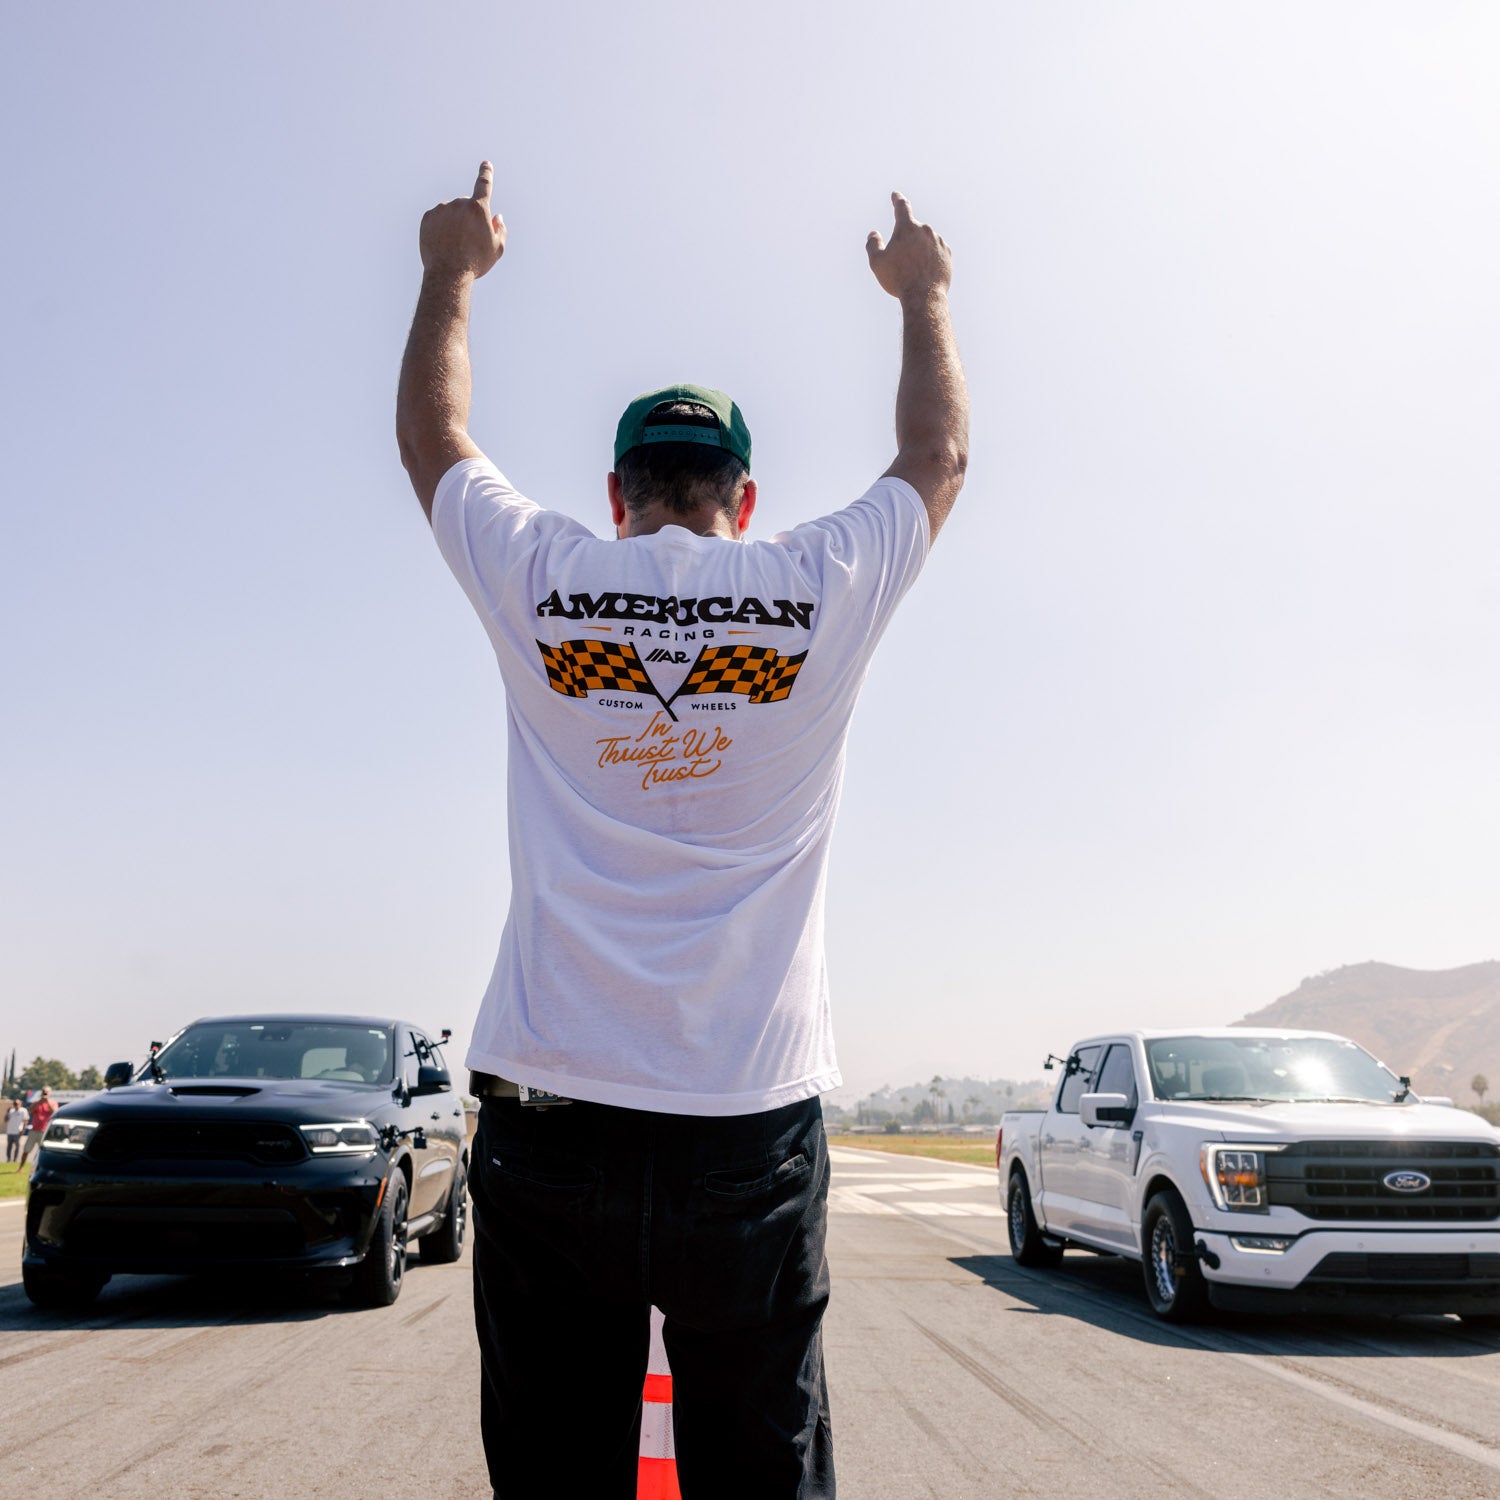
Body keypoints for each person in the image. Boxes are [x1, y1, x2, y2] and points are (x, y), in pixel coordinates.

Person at [396, 162, 967, 1499]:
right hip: (744, 1124)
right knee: (760, 1475)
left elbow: (435, 443)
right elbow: (936, 458)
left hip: (549, 1107)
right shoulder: (811, 584)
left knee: (558, 1474)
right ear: (742, 497)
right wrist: (925, 294)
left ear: (619, 491)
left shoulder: (548, 575)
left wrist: (449, 273)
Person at [19, 1087, 55, 1167]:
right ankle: (20, 1168)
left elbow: (54, 1112)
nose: (45, 1093)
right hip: (34, 1130)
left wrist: (47, 1101)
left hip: (45, 1131)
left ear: (50, 1093)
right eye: (43, 1092)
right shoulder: (36, 1103)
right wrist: (40, 1102)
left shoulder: (52, 1103)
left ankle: (43, 1168)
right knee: (26, 1150)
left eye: (46, 1092)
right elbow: (30, 1111)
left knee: (44, 1152)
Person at [5, 1098, 26, 1163]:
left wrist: (23, 1129)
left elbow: (25, 1120)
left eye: (17, 1104)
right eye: (14, 1104)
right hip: (10, 1131)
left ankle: (15, 1159)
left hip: (17, 1131)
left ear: (20, 1104)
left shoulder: (23, 1111)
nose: (16, 1105)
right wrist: (7, 1113)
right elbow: (6, 1120)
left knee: (17, 1146)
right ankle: (8, 1158)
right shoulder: (11, 1111)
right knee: (9, 1146)